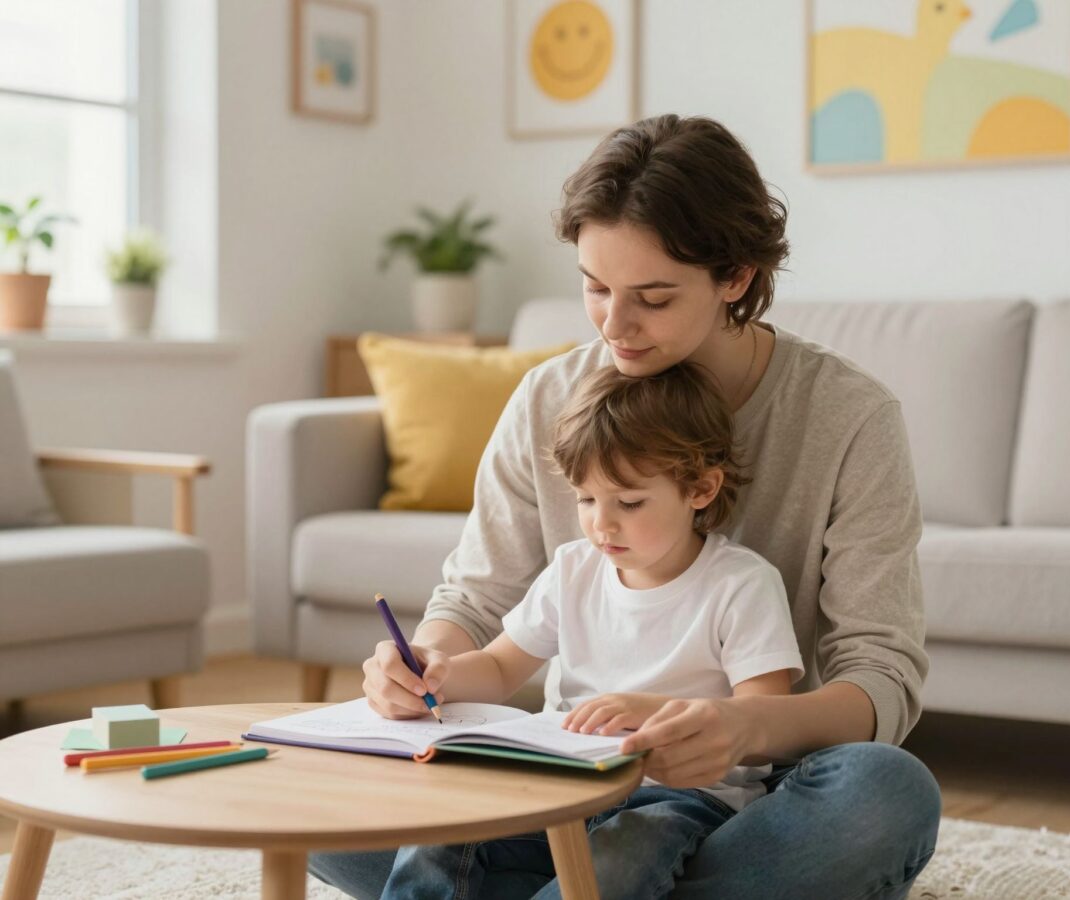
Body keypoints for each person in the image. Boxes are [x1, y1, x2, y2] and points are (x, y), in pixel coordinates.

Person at [312, 114, 941, 900]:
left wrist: (743, 729)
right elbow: (474, 603)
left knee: (885, 793)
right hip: (561, 786)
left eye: (653, 297)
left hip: (738, 795)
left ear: (736, 277)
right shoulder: (549, 398)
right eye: (595, 287)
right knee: (316, 791)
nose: (614, 325)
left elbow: (881, 677)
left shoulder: (848, 417)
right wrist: (419, 672)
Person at [380, 362, 805, 899]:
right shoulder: (573, 569)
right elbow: (500, 667)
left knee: (619, 858)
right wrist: (437, 672)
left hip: (679, 799)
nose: (601, 524)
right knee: (441, 826)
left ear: (701, 489)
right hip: (562, 783)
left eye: (628, 503)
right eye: (585, 499)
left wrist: (652, 715)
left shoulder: (741, 584)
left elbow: (762, 720)